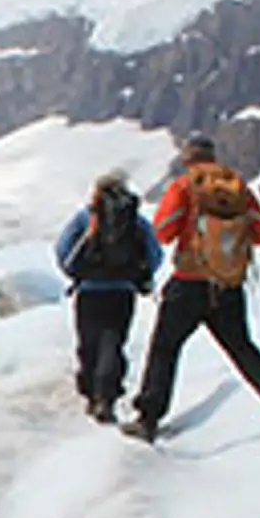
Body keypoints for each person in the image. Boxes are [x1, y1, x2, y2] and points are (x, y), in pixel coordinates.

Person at [121, 134, 260, 442]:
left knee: (164, 348)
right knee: (240, 346)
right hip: (228, 285)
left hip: (188, 284)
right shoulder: (236, 186)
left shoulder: (183, 186)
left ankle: (148, 418)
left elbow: (162, 231)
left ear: (187, 159)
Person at [53, 170, 163, 424]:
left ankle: (92, 394)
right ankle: (107, 397)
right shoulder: (134, 219)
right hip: (123, 292)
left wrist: (77, 273)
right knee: (113, 342)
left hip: (89, 291)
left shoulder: (85, 217)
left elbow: (63, 250)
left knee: (88, 344)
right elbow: (154, 252)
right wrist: (138, 277)